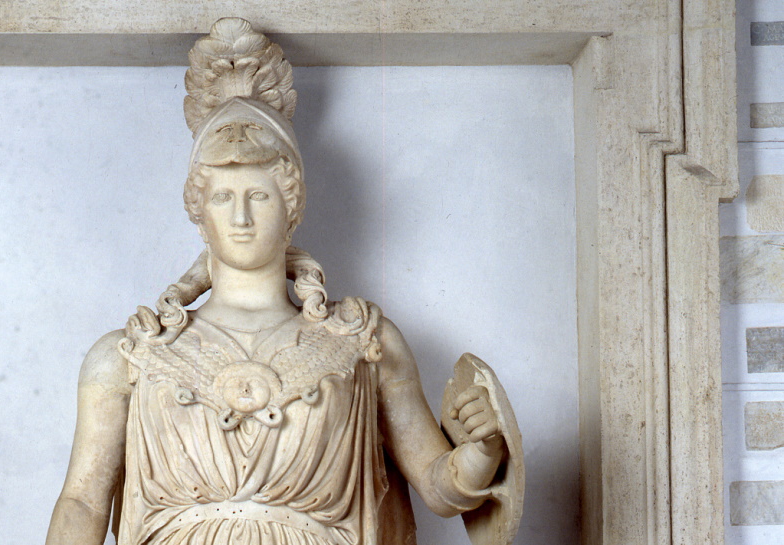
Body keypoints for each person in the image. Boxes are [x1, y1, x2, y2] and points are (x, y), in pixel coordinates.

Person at [46, 18, 512, 545]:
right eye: (223, 197)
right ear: (199, 211)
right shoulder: (130, 357)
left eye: (260, 196)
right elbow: (82, 503)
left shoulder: (364, 344)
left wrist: (482, 449)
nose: (241, 217)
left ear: (291, 206)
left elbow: (439, 486)